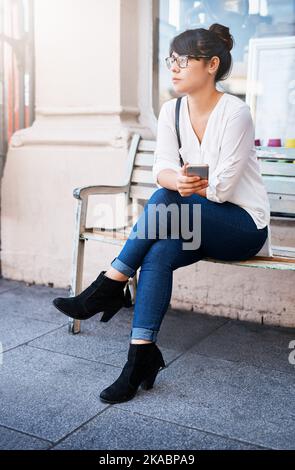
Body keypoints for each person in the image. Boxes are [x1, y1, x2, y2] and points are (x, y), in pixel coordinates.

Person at [53, 23, 270, 404]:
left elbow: (223, 186)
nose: (174, 66)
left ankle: (110, 283)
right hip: (196, 216)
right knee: (157, 252)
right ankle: (140, 357)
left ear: (212, 64)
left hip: (241, 225)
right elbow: (163, 168)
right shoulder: (171, 111)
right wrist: (178, 180)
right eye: (172, 58)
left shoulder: (236, 113)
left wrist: (181, 182)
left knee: (163, 199)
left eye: (185, 59)